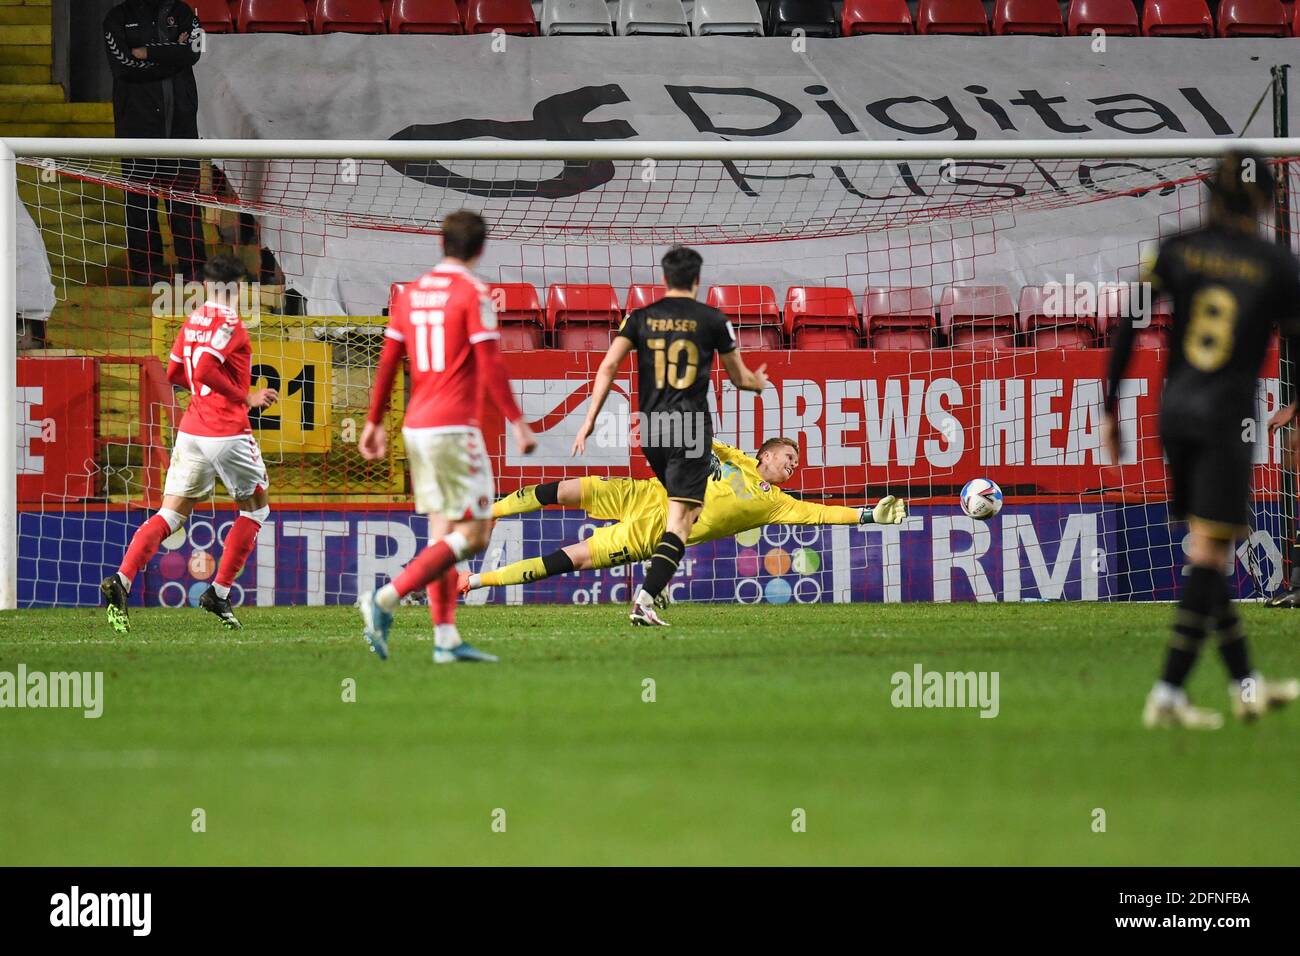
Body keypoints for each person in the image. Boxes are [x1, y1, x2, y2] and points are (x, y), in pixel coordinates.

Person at [1103, 150, 1300, 729]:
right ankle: (1167, 693)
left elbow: (1129, 323)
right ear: (1265, 201)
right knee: (1212, 553)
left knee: (1206, 550)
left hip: (1175, 413)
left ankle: (1246, 684)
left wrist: (1112, 406)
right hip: (1226, 418)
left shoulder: (1176, 247)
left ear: (1210, 194)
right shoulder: (1276, 264)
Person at [357, 211, 536, 664]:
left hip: (416, 426)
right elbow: (491, 362)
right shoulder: (472, 292)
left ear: (441, 242)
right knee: (474, 535)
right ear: (480, 248)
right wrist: (516, 420)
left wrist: (374, 421)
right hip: (455, 428)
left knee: (442, 535)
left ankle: (445, 638)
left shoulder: (412, 294)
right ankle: (384, 599)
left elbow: (388, 360)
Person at [572, 247, 769, 626]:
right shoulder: (713, 319)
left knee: (682, 511)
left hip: (650, 428)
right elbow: (739, 377)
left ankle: (657, 578)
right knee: (683, 518)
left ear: (664, 279)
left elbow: (609, 364)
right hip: (690, 428)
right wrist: (757, 384)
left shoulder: (640, 317)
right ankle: (646, 597)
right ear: (697, 280)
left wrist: (590, 420)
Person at [462, 436, 908, 594]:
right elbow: (701, 437)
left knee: (572, 558)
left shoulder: (777, 502)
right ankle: (489, 513)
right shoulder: (737, 459)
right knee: (566, 488)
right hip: (645, 494)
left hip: (655, 534)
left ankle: (474, 582)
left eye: (796, 461)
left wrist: (869, 515)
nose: (794, 464)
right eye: (788, 456)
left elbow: (820, 514)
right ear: (766, 454)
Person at [101, 254, 275, 632]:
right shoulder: (230, 321)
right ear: (238, 288)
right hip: (226, 430)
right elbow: (207, 367)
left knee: (171, 515)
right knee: (255, 511)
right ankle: (219, 591)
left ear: (206, 285)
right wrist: (244, 397)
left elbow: (176, 371)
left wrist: (202, 393)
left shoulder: (192, 320)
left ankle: (122, 579)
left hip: (192, 430)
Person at [103, 0, 206, 284]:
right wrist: (173, 57)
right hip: (136, 124)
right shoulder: (117, 18)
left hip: (182, 124)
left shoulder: (182, 12)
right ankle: (143, 273)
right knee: (139, 204)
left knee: (185, 201)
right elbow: (124, 67)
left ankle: (194, 271)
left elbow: (195, 52)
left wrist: (147, 52)